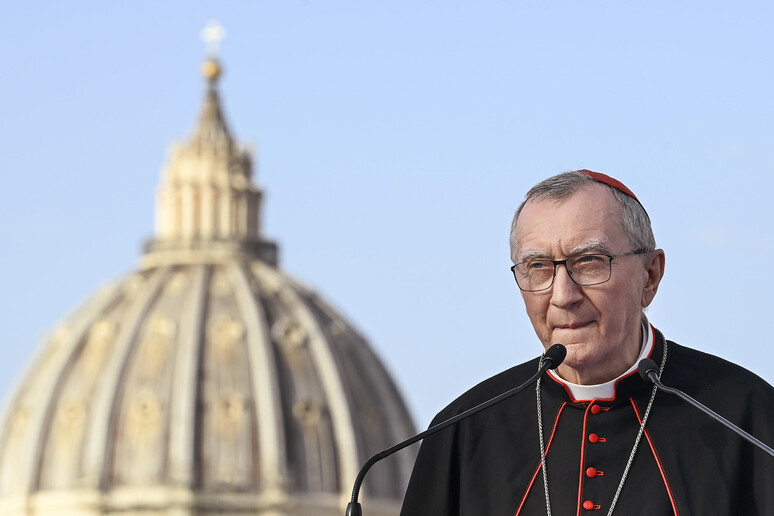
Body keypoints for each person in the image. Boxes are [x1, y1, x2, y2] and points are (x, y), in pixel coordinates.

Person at [400, 170, 774, 515]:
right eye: (539, 267)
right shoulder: (461, 432)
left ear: (650, 277)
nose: (563, 295)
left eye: (590, 261)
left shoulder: (746, 418)